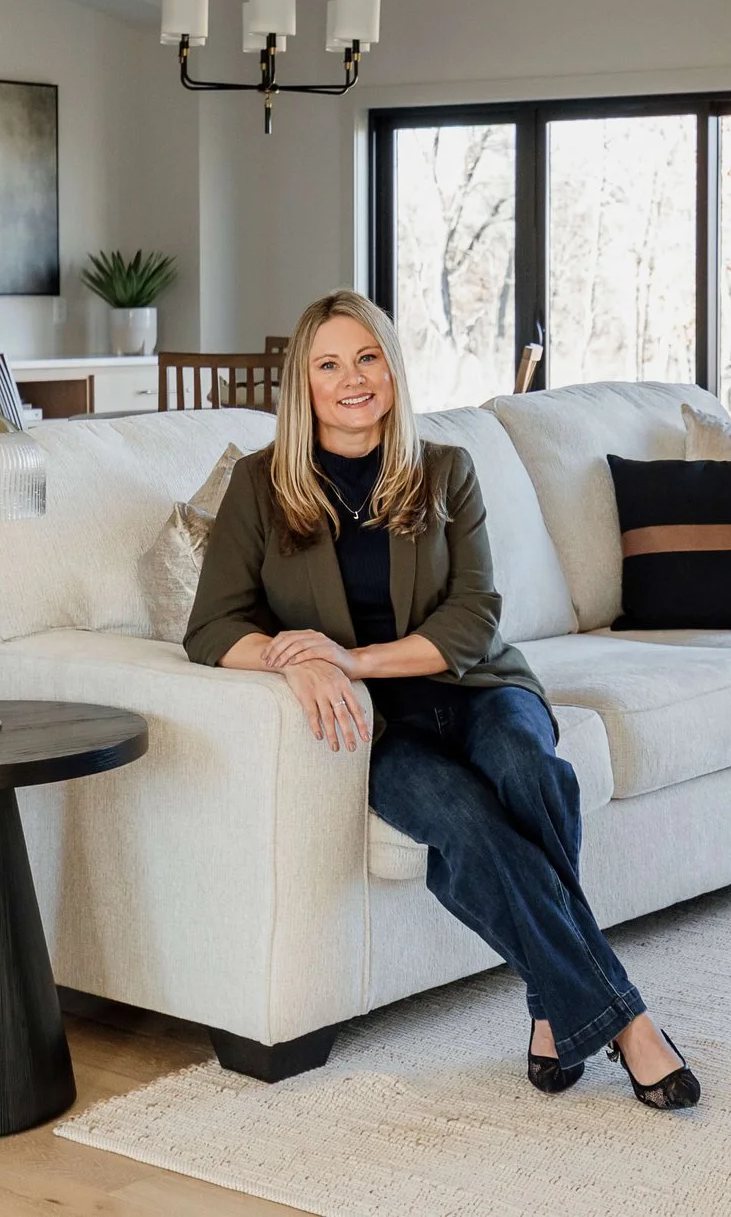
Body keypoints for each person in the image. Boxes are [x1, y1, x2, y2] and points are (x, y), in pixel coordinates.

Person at [184, 289, 700, 1109]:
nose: (352, 379)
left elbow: (474, 615)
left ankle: (554, 1002)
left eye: (368, 358)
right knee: (467, 821)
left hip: (479, 685)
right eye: (329, 364)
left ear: (392, 369)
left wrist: (349, 658)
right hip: (382, 728)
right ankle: (627, 1020)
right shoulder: (259, 483)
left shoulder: (446, 468)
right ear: (303, 384)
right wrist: (296, 662)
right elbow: (212, 627)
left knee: (530, 772)